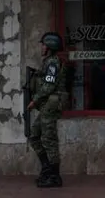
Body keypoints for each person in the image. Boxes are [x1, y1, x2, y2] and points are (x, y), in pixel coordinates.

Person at [28, 32, 69, 188]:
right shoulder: (49, 61)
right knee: (34, 135)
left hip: (51, 104)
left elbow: (49, 85)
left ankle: (54, 176)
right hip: (47, 105)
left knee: (48, 139)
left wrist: (34, 100)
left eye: (44, 44)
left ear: (50, 46)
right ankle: (46, 169)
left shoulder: (53, 63)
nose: (42, 47)